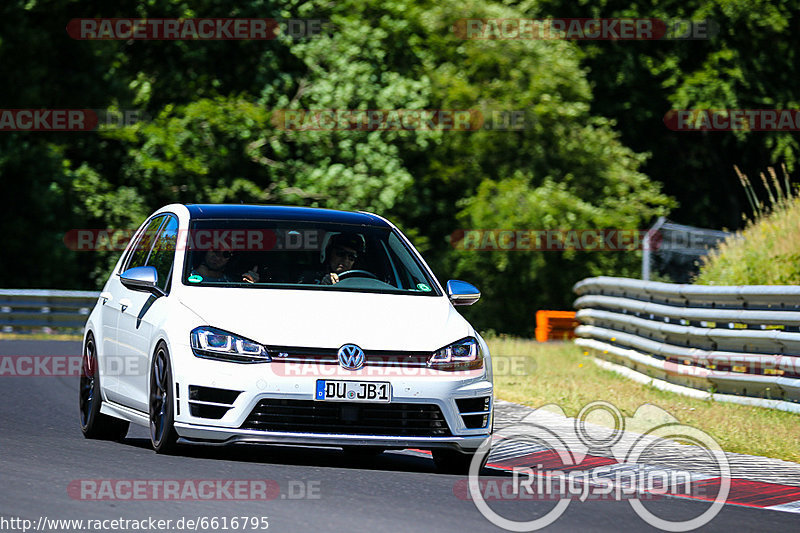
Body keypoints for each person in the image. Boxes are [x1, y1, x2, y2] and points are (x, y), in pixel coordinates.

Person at [191, 249, 260, 283]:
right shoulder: (188, 277)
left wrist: (250, 285)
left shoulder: (231, 282)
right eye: (215, 250)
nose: (218, 257)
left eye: (226, 254)